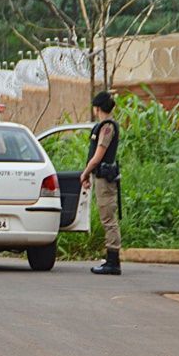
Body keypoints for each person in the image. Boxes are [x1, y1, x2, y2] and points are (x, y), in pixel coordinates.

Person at [80, 90, 122, 276]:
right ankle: (110, 258)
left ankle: (113, 262)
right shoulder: (105, 126)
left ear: (97, 108)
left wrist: (85, 173)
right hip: (101, 177)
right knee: (107, 217)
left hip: (105, 179)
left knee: (108, 219)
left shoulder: (106, 128)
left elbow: (97, 157)